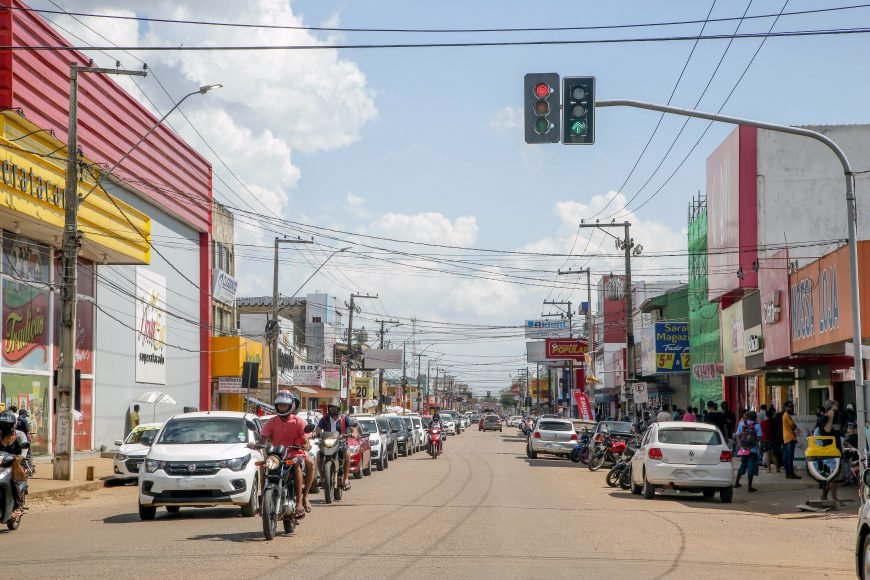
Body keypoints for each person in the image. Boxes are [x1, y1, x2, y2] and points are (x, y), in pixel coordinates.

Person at [258, 390, 314, 517]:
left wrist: (306, 444)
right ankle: (263, 501)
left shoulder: (299, 421)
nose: (282, 408)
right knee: (263, 465)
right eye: (280, 405)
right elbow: (263, 438)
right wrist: (257, 444)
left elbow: (305, 439)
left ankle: (301, 500)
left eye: (284, 405)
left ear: (290, 406)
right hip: (276, 455)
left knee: (302, 465)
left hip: (295, 453)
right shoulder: (271, 422)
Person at [315, 403, 355, 493]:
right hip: (327, 443)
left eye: (335, 407)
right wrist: (315, 433)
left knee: (347, 454)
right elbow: (318, 428)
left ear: (339, 408)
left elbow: (352, 427)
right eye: (331, 407)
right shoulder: (325, 419)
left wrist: (353, 433)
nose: (332, 409)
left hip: (341, 443)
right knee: (318, 454)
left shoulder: (344, 418)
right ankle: (322, 478)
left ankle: (346, 479)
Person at [0, 410, 29, 518]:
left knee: (14, 481)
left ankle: (17, 507)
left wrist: (21, 457)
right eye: (2, 424)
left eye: (7, 425)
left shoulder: (19, 435)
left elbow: (25, 448)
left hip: (14, 463)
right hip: (1, 462)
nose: (4, 427)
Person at [816, 399, 842, 503]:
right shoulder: (823, 419)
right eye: (834, 410)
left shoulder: (835, 418)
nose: (836, 412)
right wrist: (830, 417)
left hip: (836, 449)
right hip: (828, 450)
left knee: (834, 475)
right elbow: (827, 430)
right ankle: (834, 498)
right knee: (832, 476)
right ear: (828, 410)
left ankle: (824, 495)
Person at [734, 411, 762, 492]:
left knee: (743, 464)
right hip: (753, 450)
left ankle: (736, 483)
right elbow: (759, 437)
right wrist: (753, 445)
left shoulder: (742, 424)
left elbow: (737, 435)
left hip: (744, 449)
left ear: (748, 417)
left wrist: (741, 445)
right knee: (751, 467)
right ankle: (749, 487)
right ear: (755, 418)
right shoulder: (757, 425)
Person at [782, 401, 801, 479]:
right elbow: (793, 426)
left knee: (786, 457)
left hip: (786, 438)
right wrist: (794, 427)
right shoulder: (787, 415)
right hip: (790, 437)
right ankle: (790, 473)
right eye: (789, 407)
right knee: (790, 457)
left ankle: (788, 473)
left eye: (791, 407)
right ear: (785, 407)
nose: (791, 408)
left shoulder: (784, 415)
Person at [770, 405, 783, 473]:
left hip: (775, 439)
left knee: (775, 453)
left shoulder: (773, 423)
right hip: (780, 439)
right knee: (779, 452)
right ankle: (779, 465)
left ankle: (778, 466)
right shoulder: (781, 424)